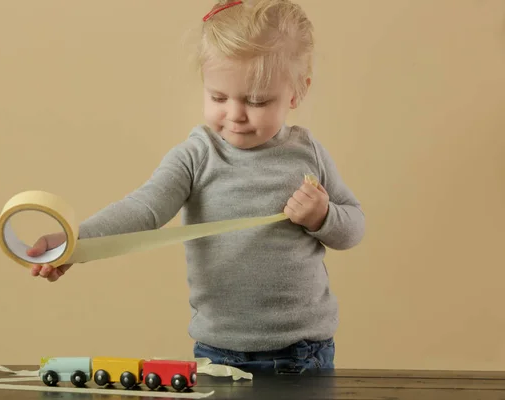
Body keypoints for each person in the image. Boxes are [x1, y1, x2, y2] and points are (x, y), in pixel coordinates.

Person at [28, 0, 365, 374]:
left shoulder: (308, 154)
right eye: (219, 98)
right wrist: (76, 243)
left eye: (257, 100)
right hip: (219, 351)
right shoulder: (196, 156)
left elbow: (354, 227)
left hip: (304, 352)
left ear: (296, 93)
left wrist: (323, 216)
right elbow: (144, 209)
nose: (235, 114)